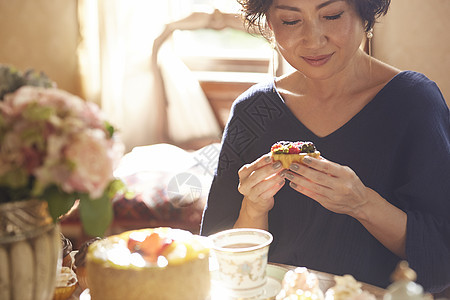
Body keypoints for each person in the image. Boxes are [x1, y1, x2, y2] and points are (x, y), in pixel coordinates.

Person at [200, 0, 450, 294]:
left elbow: (441, 258)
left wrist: (363, 204)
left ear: (365, 15)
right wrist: (254, 208)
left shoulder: (413, 103)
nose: (313, 39)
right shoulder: (252, 112)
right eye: (291, 21)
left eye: (331, 16)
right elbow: (217, 265)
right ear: (269, 24)